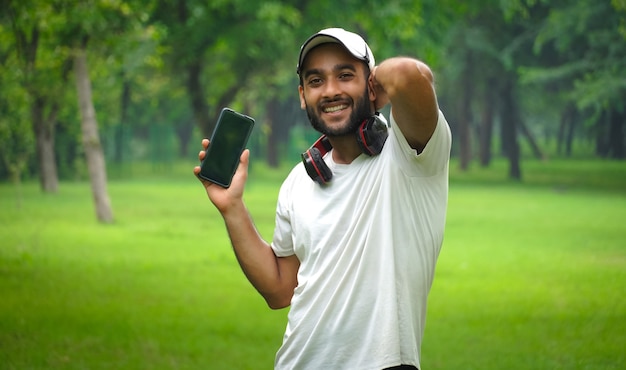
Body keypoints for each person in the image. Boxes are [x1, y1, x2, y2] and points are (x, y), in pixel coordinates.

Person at [194, 27, 451, 370]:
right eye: (315, 81)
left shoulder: (410, 156)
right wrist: (232, 209)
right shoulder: (298, 181)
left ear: (372, 84)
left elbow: (408, 75)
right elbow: (280, 290)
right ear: (303, 96)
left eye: (345, 76)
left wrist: (380, 85)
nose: (330, 91)